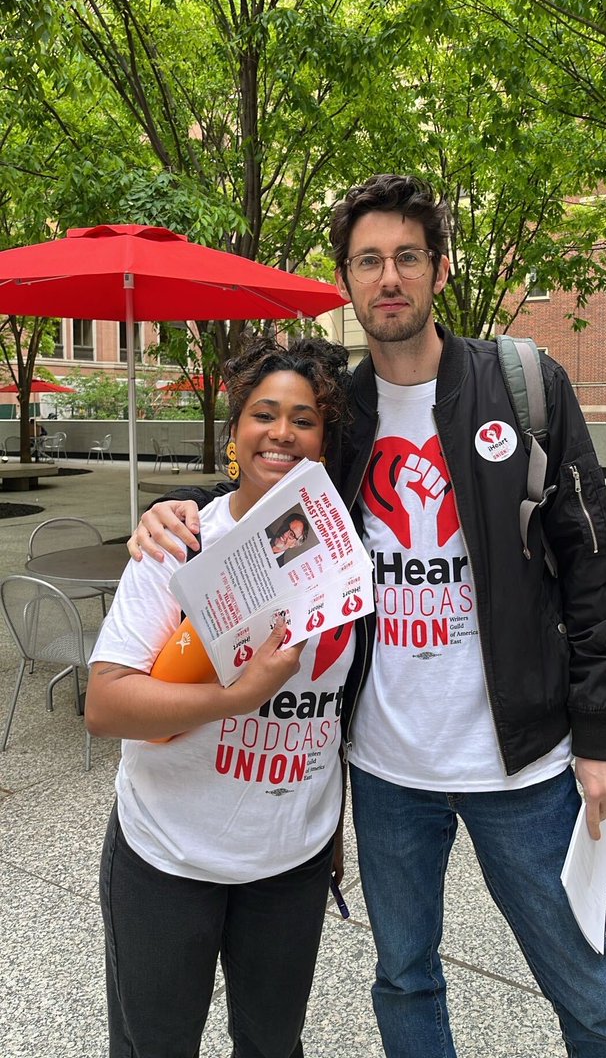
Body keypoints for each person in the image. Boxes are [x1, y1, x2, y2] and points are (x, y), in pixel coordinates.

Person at [128, 175, 606, 1057]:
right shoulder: (347, 415)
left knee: (587, 988)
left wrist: (599, 733)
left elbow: (594, 565)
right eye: (368, 261)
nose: (389, 277)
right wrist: (177, 501)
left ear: (437, 270)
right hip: (386, 769)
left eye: (407, 256)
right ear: (349, 281)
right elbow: (268, 490)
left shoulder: (522, 385)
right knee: (404, 978)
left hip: (518, 764)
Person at [86, 337, 354, 1058]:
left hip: (289, 864)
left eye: (304, 419)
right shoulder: (179, 542)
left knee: (273, 1046)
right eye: (263, 414)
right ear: (235, 431)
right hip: (166, 859)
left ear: (324, 440)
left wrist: (332, 827)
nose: (282, 432)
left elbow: (337, 718)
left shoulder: (347, 561)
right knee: (156, 1047)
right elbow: (106, 705)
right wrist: (238, 698)